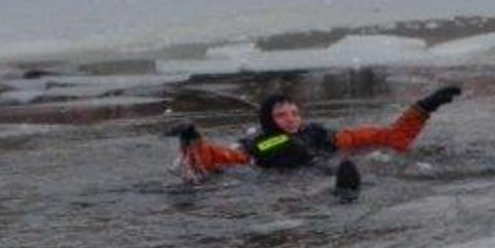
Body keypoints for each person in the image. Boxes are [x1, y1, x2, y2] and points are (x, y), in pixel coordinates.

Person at [168, 86, 461, 184]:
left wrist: (424, 108)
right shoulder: (259, 144)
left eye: (294, 113)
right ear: (268, 120)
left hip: (325, 168)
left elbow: (388, 136)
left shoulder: (318, 134)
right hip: (284, 184)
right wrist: (192, 138)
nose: (291, 119)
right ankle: (341, 192)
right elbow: (220, 157)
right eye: (282, 115)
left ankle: (346, 187)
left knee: (370, 161)